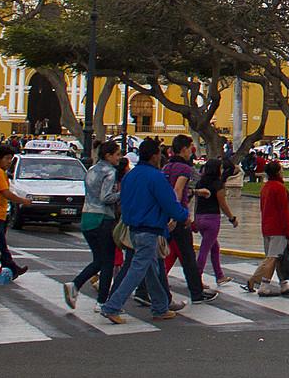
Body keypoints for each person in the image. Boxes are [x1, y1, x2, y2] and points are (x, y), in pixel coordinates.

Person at [99, 141, 190, 324]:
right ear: (155, 155)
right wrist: (183, 216)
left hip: (133, 228)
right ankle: (112, 306)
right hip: (149, 229)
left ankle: (160, 307)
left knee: (151, 269)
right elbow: (169, 202)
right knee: (139, 269)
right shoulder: (156, 177)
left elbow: (123, 201)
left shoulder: (130, 176)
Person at [66, 140, 123, 309]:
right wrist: (122, 193)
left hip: (87, 217)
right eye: (117, 154)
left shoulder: (91, 170)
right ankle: (102, 300)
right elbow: (106, 197)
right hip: (103, 219)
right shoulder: (110, 172)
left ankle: (75, 285)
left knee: (98, 259)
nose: (119, 158)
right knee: (107, 262)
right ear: (108, 155)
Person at [245, 161, 289, 294]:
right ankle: (264, 286)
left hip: (267, 226)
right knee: (273, 258)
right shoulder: (280, 188)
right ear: (278, 172)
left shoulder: (266, 187)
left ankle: (283, 284)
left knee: (277, 256)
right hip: (278, 228)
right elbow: (284, 212)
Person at [161, 136, 212, 302]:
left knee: (159, 254)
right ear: (183, 149)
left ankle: (144, 288)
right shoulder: (184, 168)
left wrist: (197, 193)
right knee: (188, 256)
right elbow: (178, 190)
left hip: (166, 214)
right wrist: (177, 215)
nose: (192, 151)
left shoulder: (167, 167)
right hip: (179, 217)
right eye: (190, 147)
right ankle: (196, 292)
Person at [0, 145, 32, 281]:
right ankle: (12, 269)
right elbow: (5, 192)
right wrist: (22, 201)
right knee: (0, 245)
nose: (9, 162)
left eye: (11, 159)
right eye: (7, 158)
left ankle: (5, 268)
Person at [194, 151, 238, 285]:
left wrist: (195, 219)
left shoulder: (200, 183)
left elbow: (196, 203)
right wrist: (232, 218)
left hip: (200, 217)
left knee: (214, 247)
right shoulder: (218, 184)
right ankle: (196, 278)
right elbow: (222, 204)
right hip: (212, 219)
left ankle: (219, 275)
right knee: (204, 249)